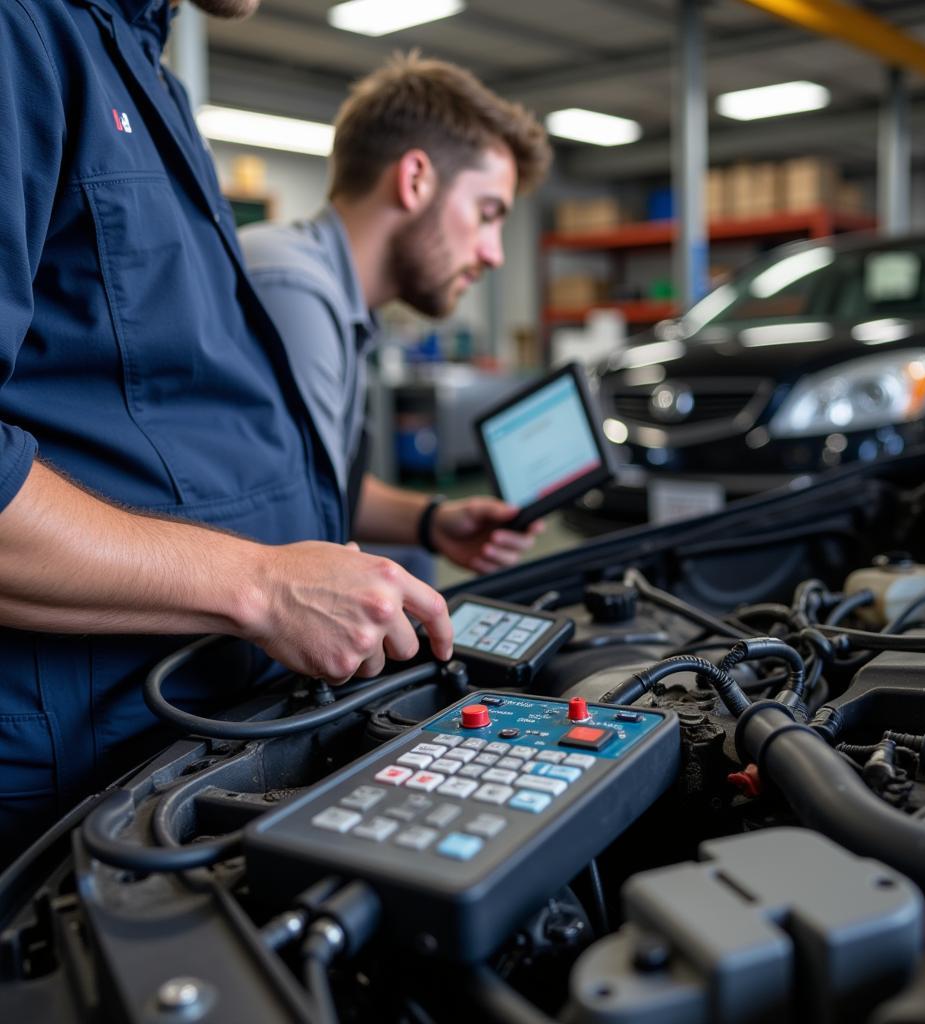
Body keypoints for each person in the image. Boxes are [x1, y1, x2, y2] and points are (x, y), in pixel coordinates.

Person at [0, 0, 451, 866]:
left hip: (190, 738)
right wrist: (265, 585)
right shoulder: (23, 32)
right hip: (69, 784)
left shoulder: (141, 69)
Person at [239, 54, 552, 577]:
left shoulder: (335, 296)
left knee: (414, 560)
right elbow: (298, 529)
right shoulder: (295, 290)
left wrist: (432, 521)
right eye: (487, 214)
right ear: (415, 180)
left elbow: (327, 489)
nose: (495, 253)